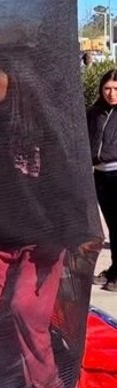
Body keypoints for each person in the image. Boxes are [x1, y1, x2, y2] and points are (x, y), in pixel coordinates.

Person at [0, 44, 94, 388]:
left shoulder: (44, 127)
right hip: (3, 240)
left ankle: (47, 386)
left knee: (25, 309)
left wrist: (69, 234)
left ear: (18, 80)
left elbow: (65, 185)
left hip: (42, 243)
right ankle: (11, 379)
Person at [87, 69, 117, 291]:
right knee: (113, 226)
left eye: (116, 89)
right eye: (107, 88)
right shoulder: (94, 113)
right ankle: (114, 269)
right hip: (100, 175)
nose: (111, 93)